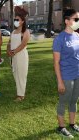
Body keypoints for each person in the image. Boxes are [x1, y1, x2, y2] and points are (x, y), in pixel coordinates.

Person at [53, 9, 79, 138]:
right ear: (67, 21)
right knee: (64, 101)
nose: (78, 22)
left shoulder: (77, 36)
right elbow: (56, 62)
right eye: (76, 19)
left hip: (77, 74)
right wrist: (60, 81)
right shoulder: (59, 39)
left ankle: (72, 124)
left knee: (74, 100)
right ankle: (61, 127)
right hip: (66, 76)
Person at [7, 6, 30, 101]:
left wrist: (13, 52)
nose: (16, 21)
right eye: (15, 19)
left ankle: (21, 95)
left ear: (22, 21)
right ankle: (19, 93)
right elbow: (9, 43)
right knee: (15, 73)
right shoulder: (13, 31)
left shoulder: (26, 32)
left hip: (21, 56)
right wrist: (8, 50)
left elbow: (23, 44)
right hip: (13, 56)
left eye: (18, 19)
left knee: (21, 74)